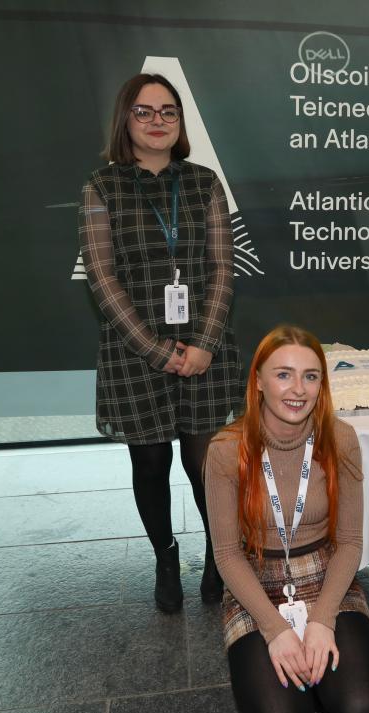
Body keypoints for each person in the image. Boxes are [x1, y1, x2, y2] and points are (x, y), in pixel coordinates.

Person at [78, 73, 241, 610]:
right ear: (126, 120)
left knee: (206, 467)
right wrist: (157, 350)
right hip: (134, 350)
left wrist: (205, 342)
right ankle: (166, 556)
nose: (157, 121)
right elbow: (103, 278)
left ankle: (221, 557)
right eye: (144, 112)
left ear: (180, 121)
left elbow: (222, 267)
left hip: (205, 351)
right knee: (150, 466)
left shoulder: (203, 183)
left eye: (168, 111)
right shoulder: (101, 188)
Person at [206, 325, 369, 713]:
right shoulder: (225, 450)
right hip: (253, 577)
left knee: (361, 707)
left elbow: (351, 542)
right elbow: (227, 554)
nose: (298, 389)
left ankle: (323, 688)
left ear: (322, 385)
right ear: (258, 382)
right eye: (283, 374)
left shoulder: (341, 439)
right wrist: (275, 630)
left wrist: (322, 620)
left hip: (325, 572)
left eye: (310, 376)